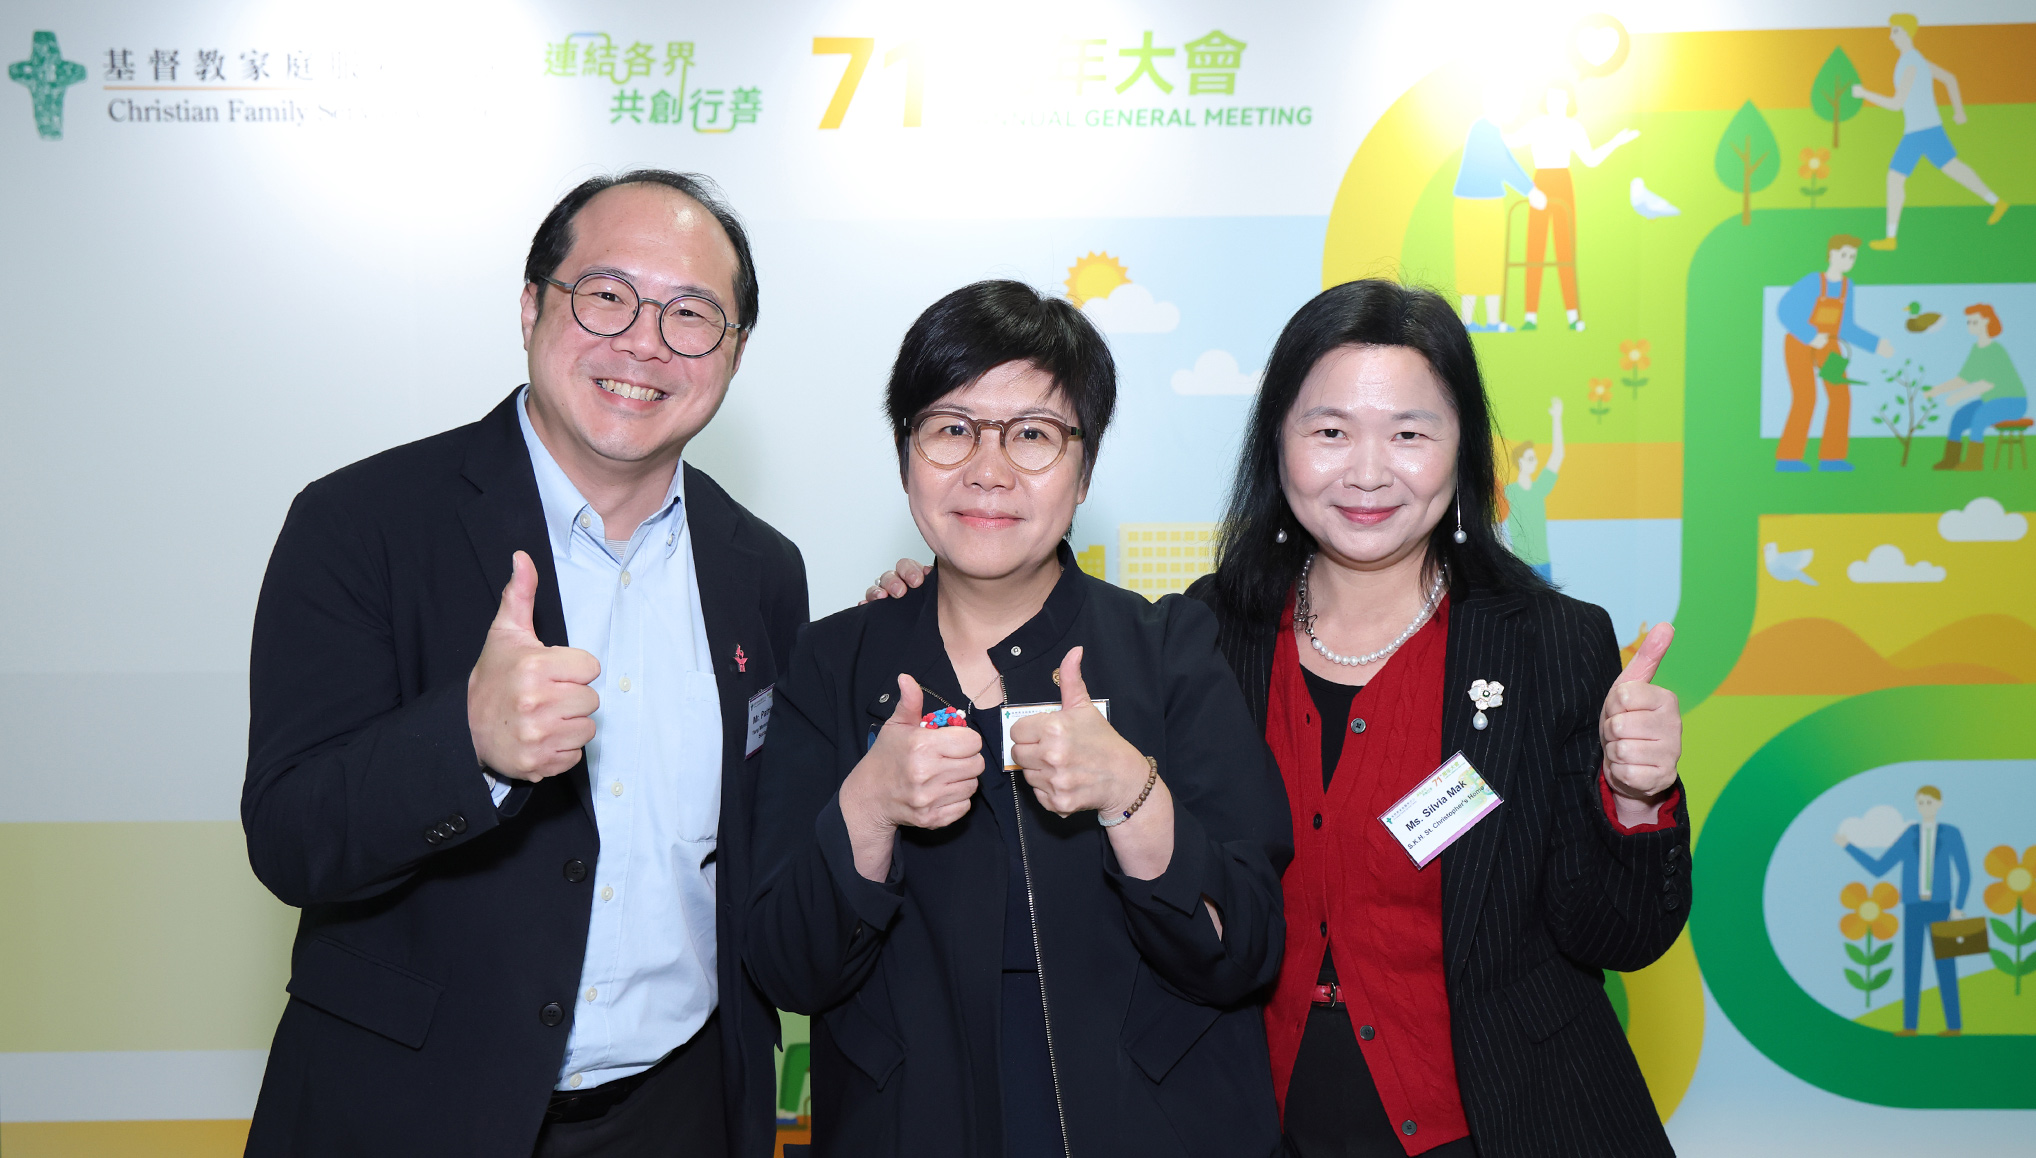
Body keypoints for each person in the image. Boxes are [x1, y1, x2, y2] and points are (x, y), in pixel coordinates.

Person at [870, 281, 1690, 1157]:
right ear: (1279, 443)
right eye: (1330, 431)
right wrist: (943, 598)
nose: (1367, 472)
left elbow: (1618, 934)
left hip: (1508, 1125)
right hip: (1255, 1126)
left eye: (1410, 434)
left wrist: (1635, 798)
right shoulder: (1199, 638)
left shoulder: (1548, 642)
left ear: (1463, 451)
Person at [242, 171, 802, 1158]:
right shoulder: (361, 524)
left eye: (690, 313)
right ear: (532, 305)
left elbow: (765, 855)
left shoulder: (762, 567)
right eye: (607, 295)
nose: (644, 342)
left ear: (735, 351)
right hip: (411, 1112)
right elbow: (290, 840)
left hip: (679, 1112)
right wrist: (465, 743)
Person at [746, 281, 1293, 1157]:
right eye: (951, 429)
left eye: (1033, 435)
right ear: (905, 454)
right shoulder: (833, 662)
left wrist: (1133, 794)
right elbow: (787, 971)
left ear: (1085, 468)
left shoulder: (1169, 651)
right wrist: (869, 808)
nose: (988, 470)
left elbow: (1246, 950)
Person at [1853, 14, 2007, 251]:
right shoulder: (1916, 59)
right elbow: (1950, 79)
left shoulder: (1911, 63)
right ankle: (1997, 202)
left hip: (1920, 132)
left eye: (1895, 31)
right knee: (1949, 169)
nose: (1890, 36)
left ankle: (1891, 238)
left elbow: (1896, 104)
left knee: (1898, 178)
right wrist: (1958, 112)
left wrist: (1864, 94)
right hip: (1925, 129)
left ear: (1907, 32)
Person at [1837, 786, 1971, 1034]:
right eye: (1921, 802)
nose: (1925, 807)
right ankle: (1910, 1026)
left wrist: (1958, 907)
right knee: (1912, 966)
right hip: (1913, 908)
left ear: (1939, 804)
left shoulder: (1952, 833)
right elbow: (1879, 868)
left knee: (1947, 967)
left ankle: (1954, 1026)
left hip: (1941, 907)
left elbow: (1965, 873)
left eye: (1929, 802)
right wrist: (1848, 846)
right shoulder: (1909, 835)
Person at [1506, 81, 1638, 333]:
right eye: (1552, 98)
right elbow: (1510, 141)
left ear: (1569, 101)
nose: (1557, 103)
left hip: (1563, 185)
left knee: (1565, 250)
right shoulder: (1537, 125)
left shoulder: (1573, 128)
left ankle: (1573, 316)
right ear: (1546, 101)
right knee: (1534, 249)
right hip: (1540, 182)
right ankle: (1530, 316)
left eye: (1561, 98)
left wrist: (1616, 142)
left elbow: (1591, 159)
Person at [1774, 235, 1893, 473]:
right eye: (1843, 254)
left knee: (1841, 397)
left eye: (1852, 257)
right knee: (1806, 398)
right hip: (1799, 343)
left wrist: (1876, 344)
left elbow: (1846, 327)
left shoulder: (1848, 286)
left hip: (1829, 345)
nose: (1848, 260)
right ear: (1831, 254)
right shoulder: (1812, 281)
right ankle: (1788, 458)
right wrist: (1810, 336)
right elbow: (1785, 310)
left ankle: (1832, 457)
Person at [1451, 85, 1546, 333]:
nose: (1516, 111)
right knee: (1472, 260)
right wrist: (1530, 191)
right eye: (1514, 105)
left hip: (1490, 202)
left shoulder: (1492, 131)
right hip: (1472, 204)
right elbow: (1503, 165)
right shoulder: (1483, 130)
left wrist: (1531, 189)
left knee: (1492, 261)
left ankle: (1493, 320)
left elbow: (1506, 161)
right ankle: (1468, 320)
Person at [1926, 303, 2024, 471]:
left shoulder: (1995, 350)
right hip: (1990, 400)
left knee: (1980, 417)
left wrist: (1958, 396)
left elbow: (1987, 384)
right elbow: (1963, 379)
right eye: (1969, 322)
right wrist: (1936, 391)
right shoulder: (1976, 349)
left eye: (1974, 322)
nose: (1970, 325)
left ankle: (1974, 462)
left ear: (1987, 321)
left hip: (2013, 401)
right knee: (1959, 417)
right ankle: (1950, 460)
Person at [1502, 397, 1565, 580]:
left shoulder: (1539, 490)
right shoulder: (1508, 492)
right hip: (1520, 566)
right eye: (1530, 458)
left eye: (1534, 458)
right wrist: (1507, 551)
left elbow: (1557, 455)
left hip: (1543, 564)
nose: (1535, 462)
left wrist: (1556, 418)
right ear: (1520, 461)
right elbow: (1493, 527)